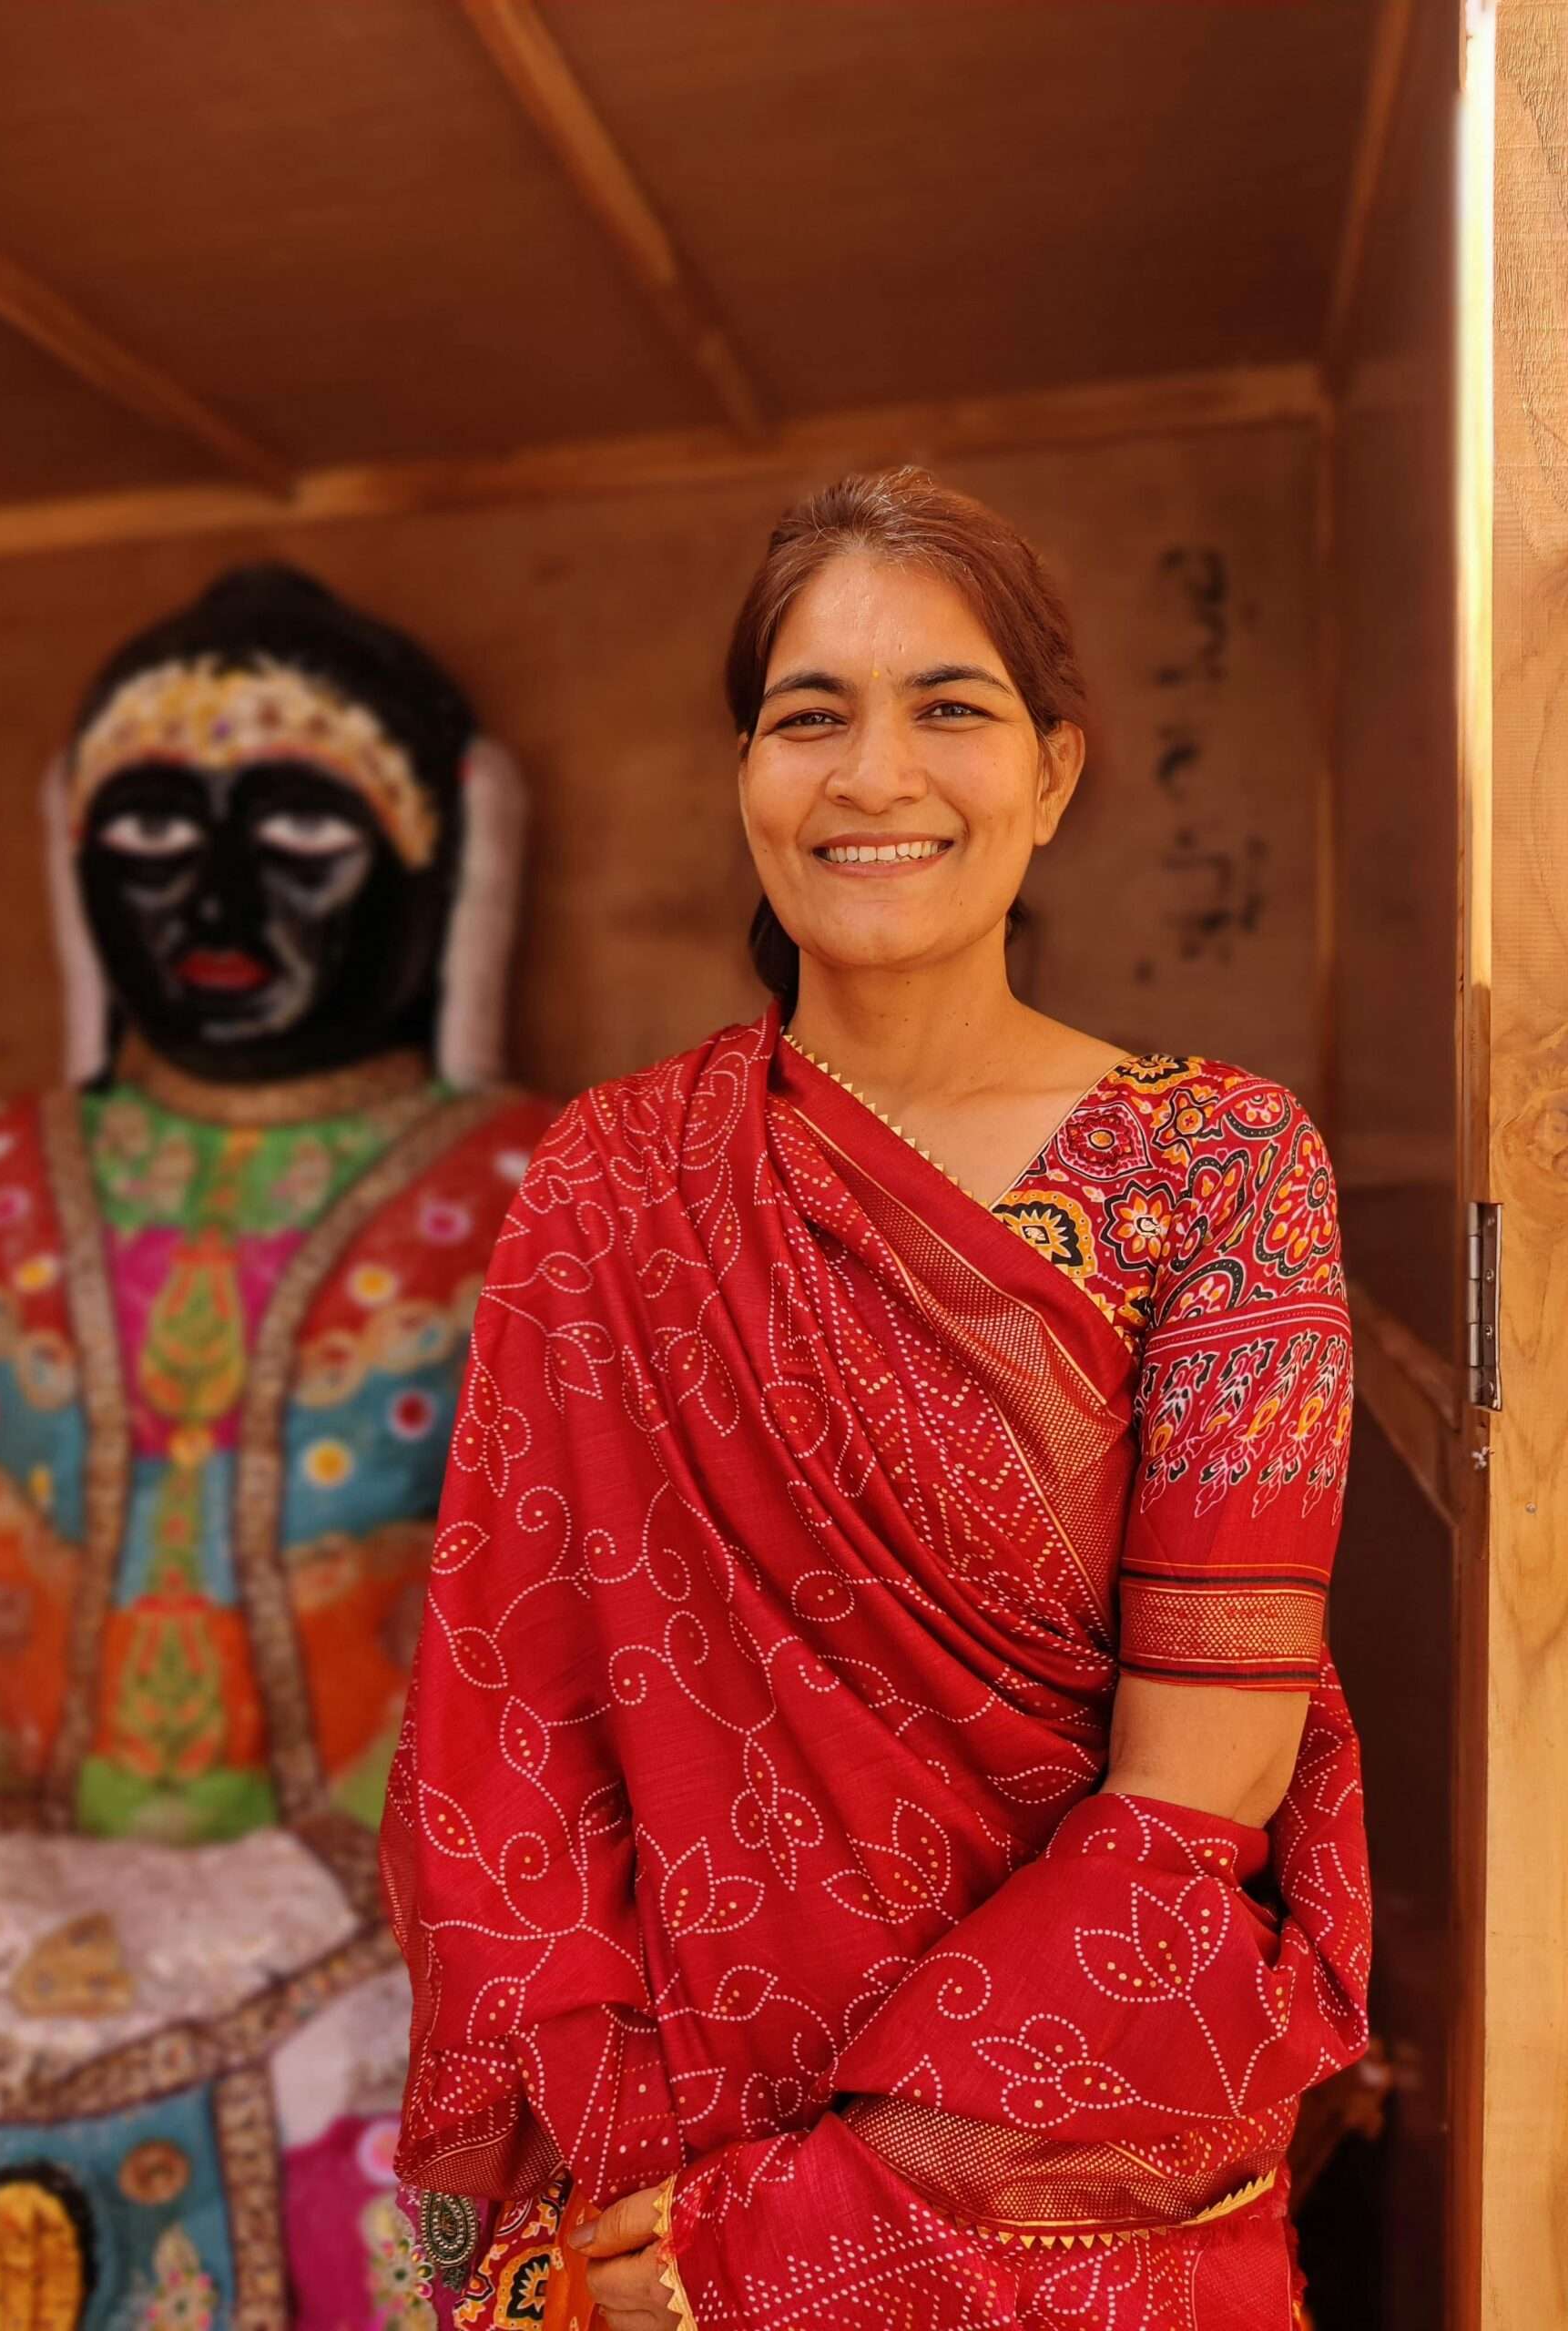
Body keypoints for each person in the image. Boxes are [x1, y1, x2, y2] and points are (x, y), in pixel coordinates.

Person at [384, 470, 1369, 2331]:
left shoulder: (1224, 1165)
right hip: (651, 2191)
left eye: (950, 706)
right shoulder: (615, 1188)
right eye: (808, 715)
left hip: (1076, 2182)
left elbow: (1200, 1789)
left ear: (1057, 774)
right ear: (748, 773)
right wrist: (627, 2191)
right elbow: (504, 1746)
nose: (872, 775)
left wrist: (817, 2217)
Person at [0, 566, 558, 2330]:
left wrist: (340, 1881)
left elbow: (585, 1623)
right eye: (148, 828)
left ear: (436, 870)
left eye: (300, 827)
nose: (213, 888)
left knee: (443, 2178)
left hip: (395, 1916)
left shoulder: (563, 1203)